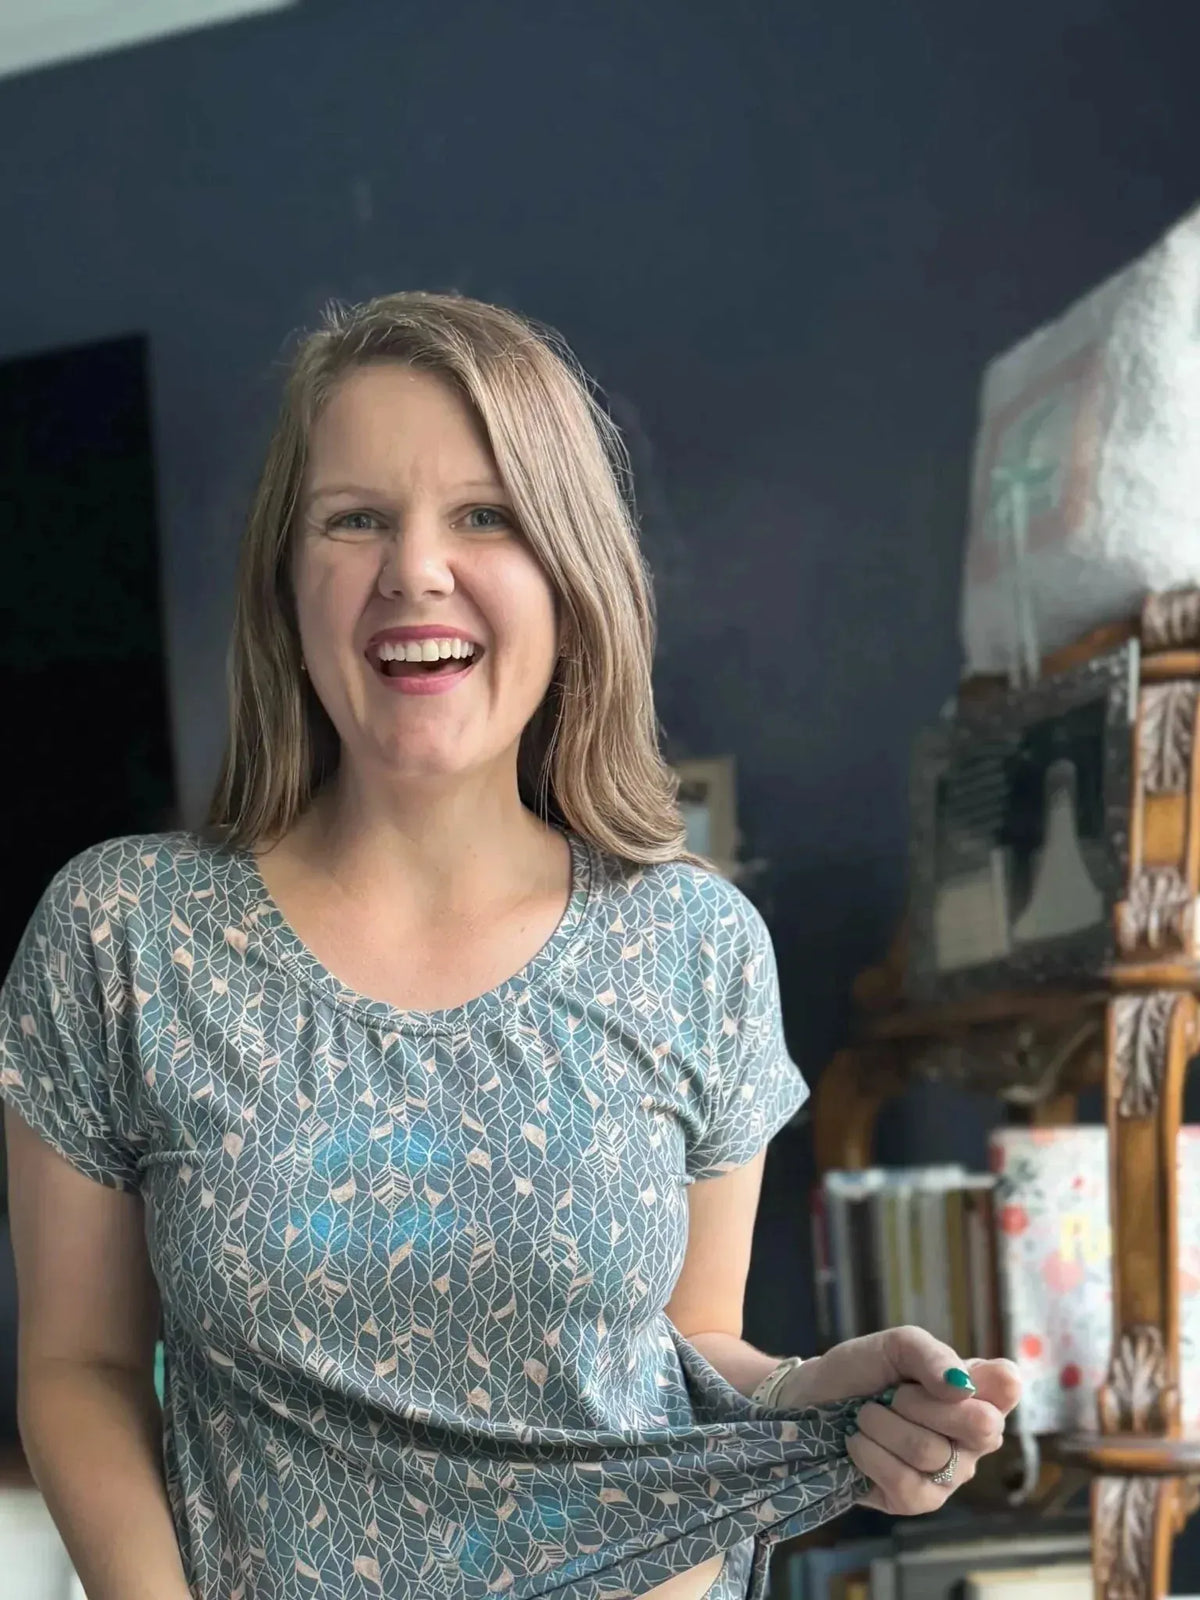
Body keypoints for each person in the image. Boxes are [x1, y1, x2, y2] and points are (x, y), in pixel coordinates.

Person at [0, 292, 1019, 1600]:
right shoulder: (120, 935)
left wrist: (826, 1400)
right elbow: (78, 1367)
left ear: (570, 570)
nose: (414, 569)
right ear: (285, 579)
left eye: (486, 516)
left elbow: (689, 1349)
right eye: (355, 517)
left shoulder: (696, 943)